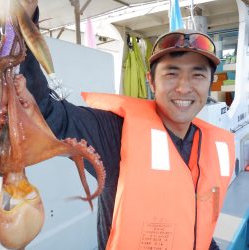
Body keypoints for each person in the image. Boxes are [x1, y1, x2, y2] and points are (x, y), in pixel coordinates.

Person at [17, 3, 235, 250]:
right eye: (171, 74)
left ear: (210, 83)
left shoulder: (215, 145)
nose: (184, 87)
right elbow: (47, 113)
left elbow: (199, 227)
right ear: (150, 81)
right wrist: (24, 19)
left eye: (198, 75)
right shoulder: (114, 133)